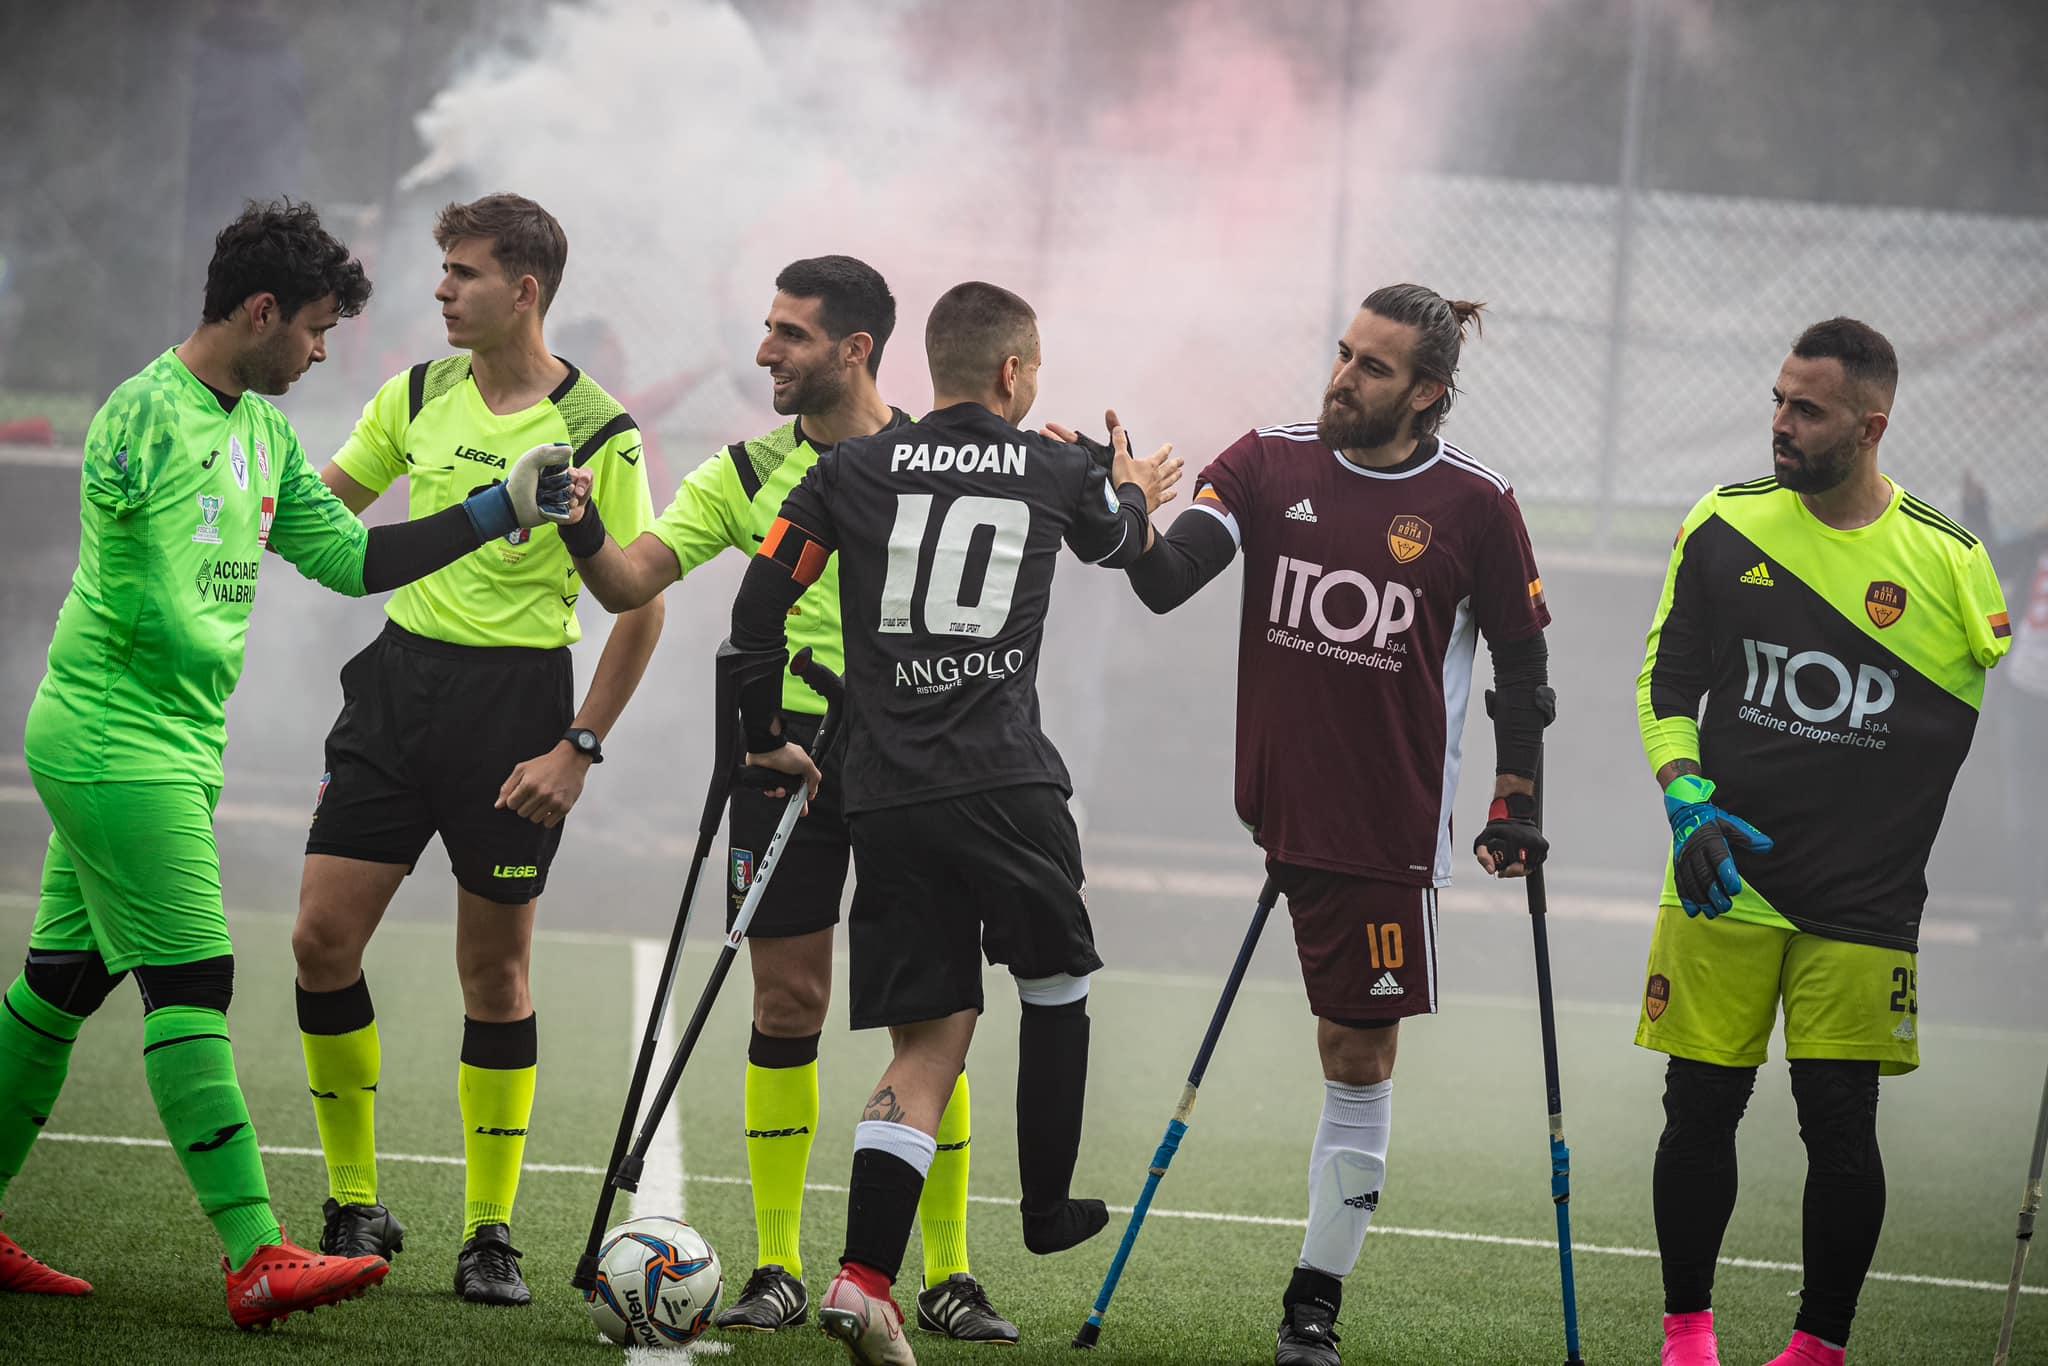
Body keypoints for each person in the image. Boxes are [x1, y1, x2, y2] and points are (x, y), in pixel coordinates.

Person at [0, 199, 582, 1327]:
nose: (323, 353)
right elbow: (155, 594)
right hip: (115, 740)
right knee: (196, 980)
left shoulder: (260, 433)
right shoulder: (142, 415)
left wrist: (491, 509)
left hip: (170, 739)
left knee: (59, 989)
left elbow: (353, 557)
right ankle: (256, 1253)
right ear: (260, 311)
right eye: (314, 329)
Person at [563, 255, 1018, 1341]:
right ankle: (776, 1266)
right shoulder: (742, 470)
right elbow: (630, 581)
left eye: (789, 333)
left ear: (854, 349)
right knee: (786, 1006)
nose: (764, 349)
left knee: (931, 1016)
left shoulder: (941, 458)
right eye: (765, 328)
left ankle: (946, 1273)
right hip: (785, 756)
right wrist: (579, 520)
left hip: (919, 760)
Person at [726, 280, 1181, 1365]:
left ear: (933, 368)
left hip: (883, 793)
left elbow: (755, 613)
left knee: (926, 1039)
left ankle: (861, 1276)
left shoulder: (846, 469)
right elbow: (1125, 550)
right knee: (1055, 982)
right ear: (1016, 374)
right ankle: (1047, 1207)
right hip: (1006, 782)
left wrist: (762, 733)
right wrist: (1127, 486)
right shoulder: (1056, 466)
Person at [1116, 283, 1553, 1366]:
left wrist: (1516, 797)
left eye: (1371, 367)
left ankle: (1312, 1302)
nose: (1341, 376)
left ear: (1428, 393)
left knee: (1355, 1057)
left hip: (1383, 830)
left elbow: (1522, 657)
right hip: (1276, 807)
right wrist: (1122, 510)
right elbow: (1169, 581)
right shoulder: (1268, 461)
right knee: (1342, 1046)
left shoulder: (1474, 503)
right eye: (1342, 353)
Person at [288, 193, 661, 1307]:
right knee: (317, 938)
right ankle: (352, 1196)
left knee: (493, 974)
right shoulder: (416, 392)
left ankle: (489, 1231)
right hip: (396, 689)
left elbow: (637, 606)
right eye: (444, 270)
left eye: (462, 273)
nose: (442, 290)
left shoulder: (601, 429)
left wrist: (577, 745)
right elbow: (324, 513)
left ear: (525, 290)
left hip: (514, 712)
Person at [1635, 318, 2011, 1366]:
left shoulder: (1949, 565)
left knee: (1838, 1123)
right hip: (1723, 872)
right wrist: (1685, 801)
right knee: (1696, 1106)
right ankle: (1686, 1339)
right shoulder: (1720, 525)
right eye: (1776, 401)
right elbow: (1664, 684)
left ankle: (1815, 1351)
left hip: (1862, 900)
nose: (1779, 425)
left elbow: (2010, 693)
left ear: (1869, 423)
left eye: (1805, 410)